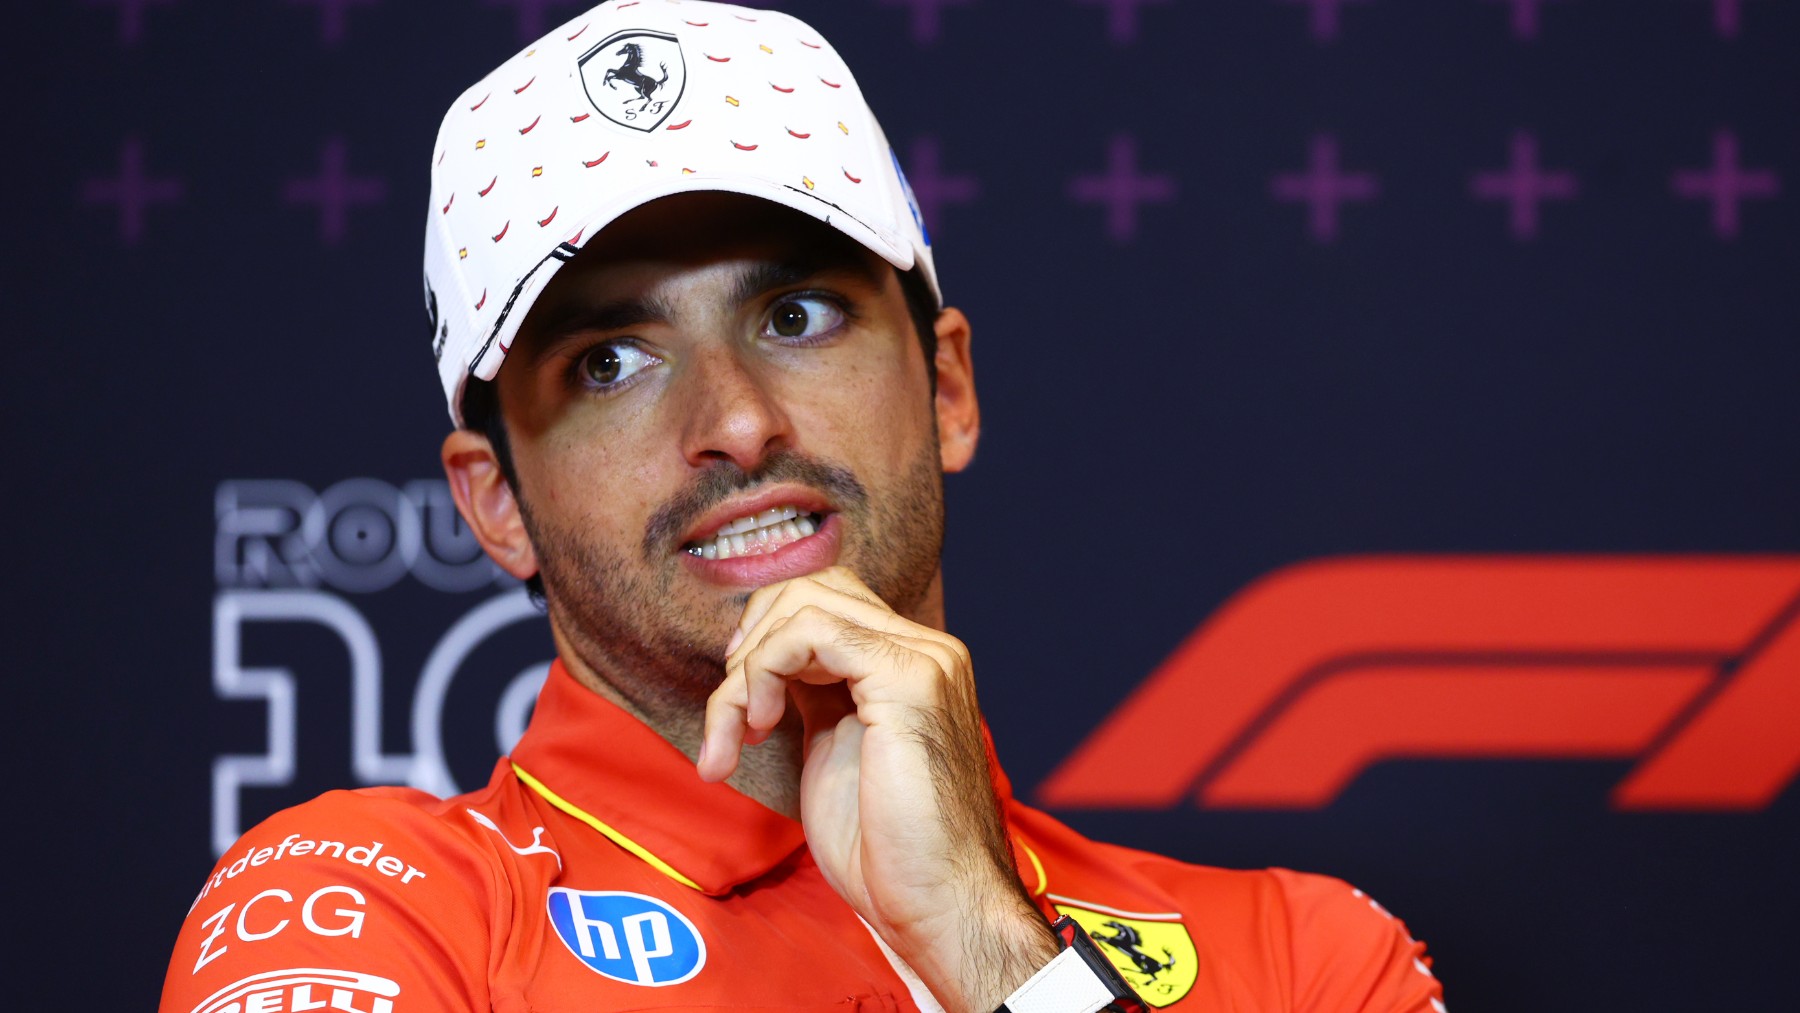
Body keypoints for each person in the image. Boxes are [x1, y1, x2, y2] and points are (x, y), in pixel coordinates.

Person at [160, 3, 1447, 1011]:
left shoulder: (1299, 957)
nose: (735, 419)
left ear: (945, 385)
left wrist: (989, 948)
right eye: (609, 361)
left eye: (796, 315)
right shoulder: (366, 907)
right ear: (496, 504)